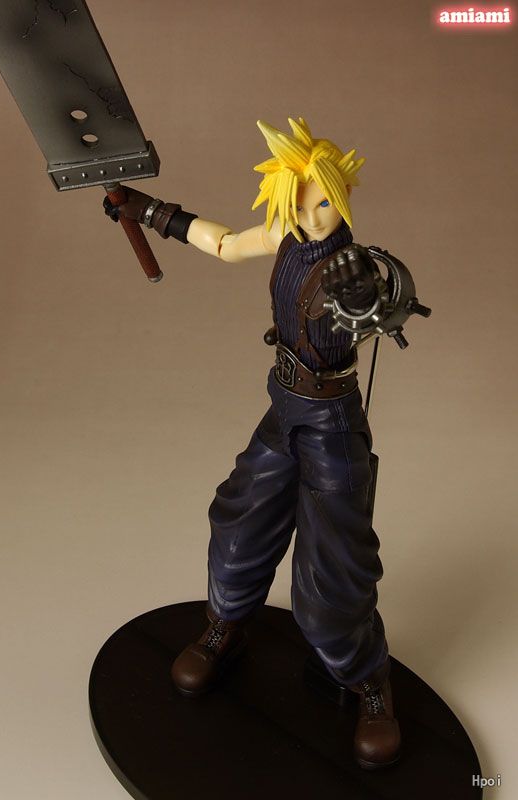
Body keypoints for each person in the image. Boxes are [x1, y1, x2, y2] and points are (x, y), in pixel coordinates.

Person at [104, 117, 401, 769]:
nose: (312, 217)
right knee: (237, 521)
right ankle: (225, 627)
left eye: (322, 203)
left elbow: (383, 300)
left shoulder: (353, 266)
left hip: (331, 424)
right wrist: (147, 210)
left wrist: (369, 296)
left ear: (342, 196)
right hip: (283, 408)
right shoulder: (285, 235)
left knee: (333, 573)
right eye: (301, 204)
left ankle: (368, 679)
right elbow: (224, 243)